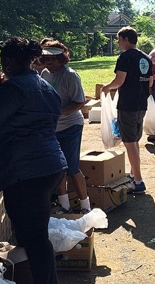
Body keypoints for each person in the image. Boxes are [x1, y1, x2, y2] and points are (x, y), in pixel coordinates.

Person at [0, 36, 67, 284]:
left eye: (5, 60)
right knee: (31, 234)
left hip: (26, 171)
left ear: (12, 61)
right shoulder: (45, 87)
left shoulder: (14, 88)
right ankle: (29, 277)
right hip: (51, 166)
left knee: (35, 238)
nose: (3, 65)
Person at [40, 40, 91, 215]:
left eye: (53, 60)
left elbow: (79, 101)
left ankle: (85, 206)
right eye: (46, 59)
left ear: (62, 59)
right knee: (58, 167)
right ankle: (65, 205)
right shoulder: (45, 74)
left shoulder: (70, 75)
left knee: (72, 166)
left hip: (71, 126)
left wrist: (61, 113)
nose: (49, 63)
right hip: (53, 128)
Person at [102, 26, 153, 194]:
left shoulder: (125, 57)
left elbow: (119, 81)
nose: (118, 43)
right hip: (141, 104)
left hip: (128, 104)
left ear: (126, 39)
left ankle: (138, 181)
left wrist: (107, 87)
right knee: (134, 141)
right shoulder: (146, 58)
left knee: (129, 143)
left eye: (119, 40)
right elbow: (150, 83)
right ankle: (133, 174)